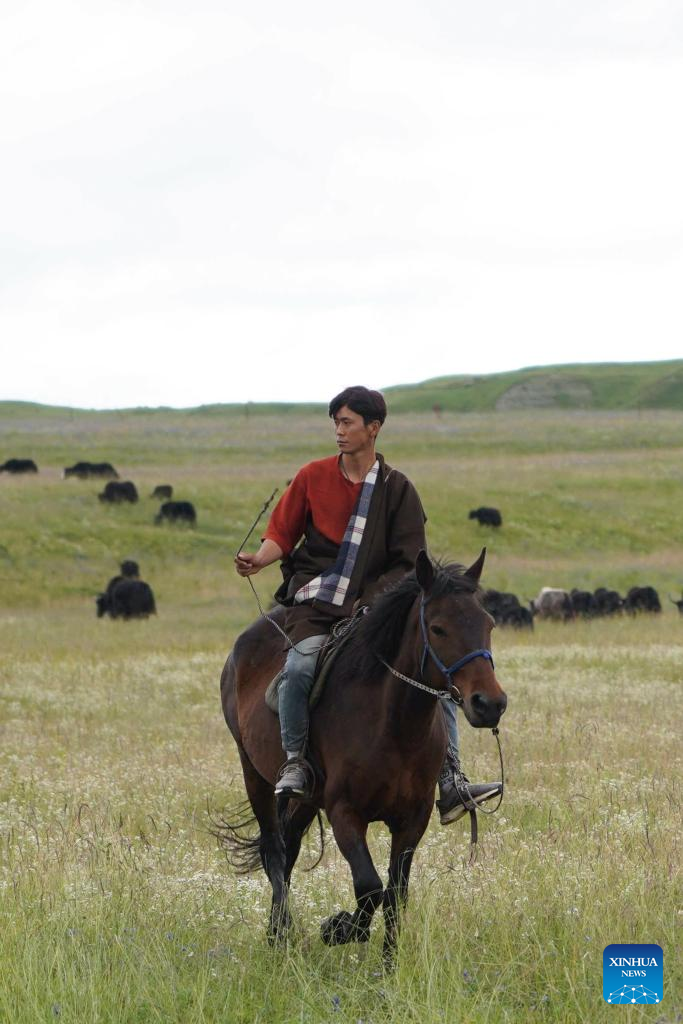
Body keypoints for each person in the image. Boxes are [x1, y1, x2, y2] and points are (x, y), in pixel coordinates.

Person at [235, 385, 502, 824]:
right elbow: (281, 532)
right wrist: (258, 559)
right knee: (300, 667)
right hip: (317, 603)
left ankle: (451, 779)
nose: (338, 432)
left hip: (378, 610)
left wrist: (372, 601)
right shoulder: (312, 477)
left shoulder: (398, 490)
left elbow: (409, 561)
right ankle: (297, 762)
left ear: (372, 429)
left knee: (436, 678)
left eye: (347, 423)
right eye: (336, 423)